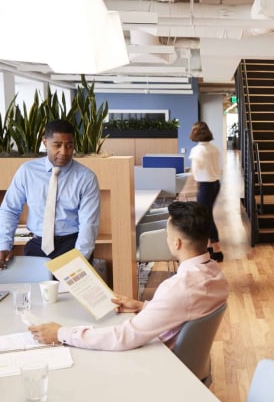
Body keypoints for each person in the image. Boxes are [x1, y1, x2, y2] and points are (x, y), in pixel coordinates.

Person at [28, 201, 229, 351]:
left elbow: (123, 337)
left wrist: (61, 333)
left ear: (176, 243)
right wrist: (143, 307)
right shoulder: (215, 274)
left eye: (167, 235)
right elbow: (186, 308)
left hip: (158, 363)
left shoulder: (179, 287)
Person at [0, 119, 100, 270]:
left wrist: (80, 259)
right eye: (57, 145)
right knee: (33, 286)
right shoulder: (27, 171)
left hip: (72, 246)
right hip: (36, 246)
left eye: (69, 145)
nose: (64, 152)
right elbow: (10, 210)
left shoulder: (86, 178)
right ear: (45, 142)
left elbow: (89, 223)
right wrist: (4, 244)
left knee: (68, 287)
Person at [189, 121, 223, 262]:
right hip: (215, 184)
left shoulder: (197, 150)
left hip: (204, 185)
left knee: (206, 216)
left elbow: (195, 170)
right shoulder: (214, 149)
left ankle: (217, 250)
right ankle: (209, 246)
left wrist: (188, 187)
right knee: (207, 214)